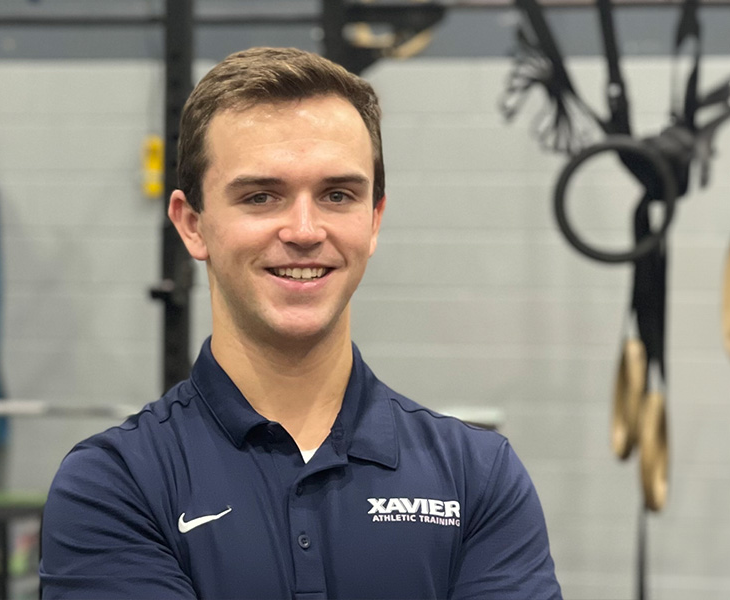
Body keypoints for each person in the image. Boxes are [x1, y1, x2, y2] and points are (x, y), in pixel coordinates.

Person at [39, 46, 562, 599]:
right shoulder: (116, 485)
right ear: (192, 225)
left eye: (338, 195)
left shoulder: (477, 478)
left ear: (374, 219)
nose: (306, 229)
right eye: (262, 196)